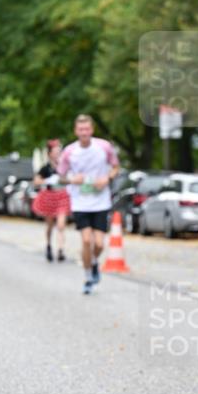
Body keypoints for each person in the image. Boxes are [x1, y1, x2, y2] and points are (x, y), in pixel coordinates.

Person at [57, 115, 120, 294]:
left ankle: (93, 263)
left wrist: (106, 178)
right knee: (86, 240)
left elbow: (116, 167)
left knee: (99, 244)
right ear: (76, 131)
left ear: (92, 130)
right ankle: (87, 277)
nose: (84, 132)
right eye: (80, 129)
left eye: (87, 129)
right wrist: (71, 179)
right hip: (80, 202)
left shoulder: (104, 147)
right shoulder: (69, 151)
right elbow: (60, 176)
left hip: (101, 201)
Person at [32, 139, 71, 262]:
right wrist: (47, 181)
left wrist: (64, 180)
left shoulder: (64, 167)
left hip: (62, 196)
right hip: (50, 197)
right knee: (50, 225)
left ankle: (60, 249)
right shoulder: (46, 168)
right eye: (55, 152)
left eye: (59, 151)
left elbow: (71, 179)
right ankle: (49, 244)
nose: (57, 154)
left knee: (61, 224)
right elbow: (36, 181)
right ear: (50, 154)